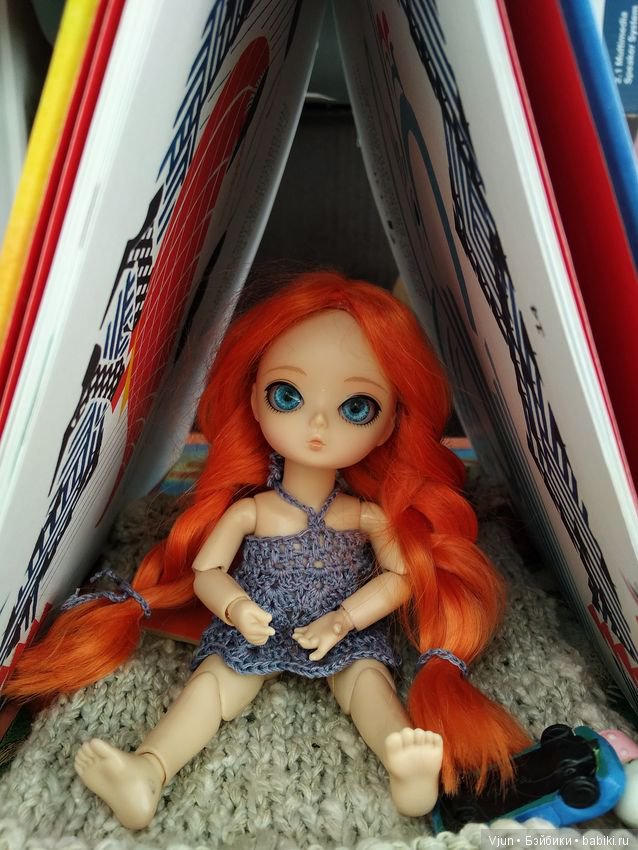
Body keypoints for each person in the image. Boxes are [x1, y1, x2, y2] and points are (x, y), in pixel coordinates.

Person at [5, 271, 529, 829]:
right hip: (257, 627)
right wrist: (236, 608)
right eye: (288, 396)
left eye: (357, 407)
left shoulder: (364, 515)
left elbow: (399, 577)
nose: (318, 423)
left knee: (368, 684)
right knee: (211, 686)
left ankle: (408, 769)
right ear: (255, 400)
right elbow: (207, 570)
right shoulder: (252, 512)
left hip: (342, 631)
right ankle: (147, 771)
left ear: (389, 426)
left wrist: (343, 620)